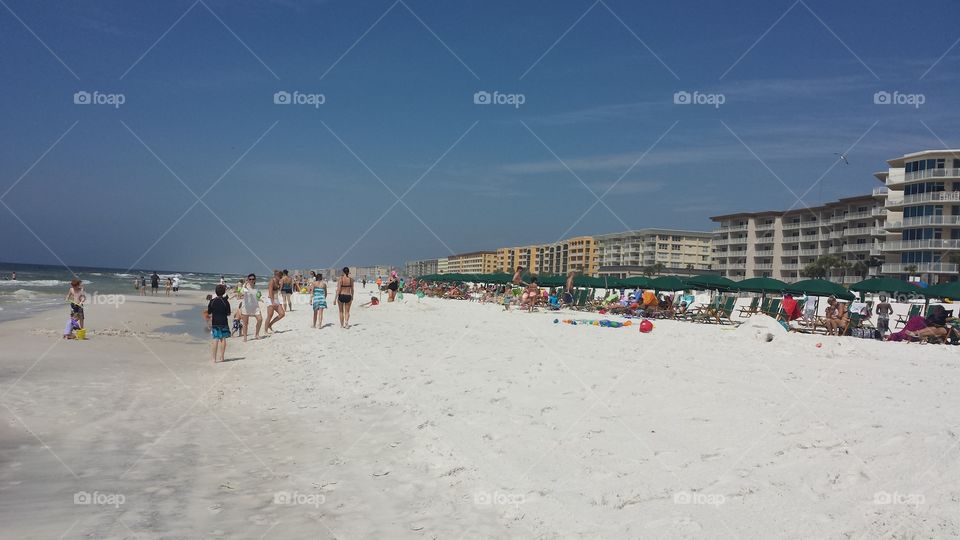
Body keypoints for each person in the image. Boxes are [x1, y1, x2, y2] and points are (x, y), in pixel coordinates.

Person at [208, 284, 231, 363]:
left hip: (215, 323)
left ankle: (214, 359)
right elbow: (228, 313)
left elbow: (209, 312)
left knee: (215, 339)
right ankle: (222, 357)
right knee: (223, 339)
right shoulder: (225, 301)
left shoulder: (212, 301)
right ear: (224, 292)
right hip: (224, 322)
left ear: (216, 292)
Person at [240, 274, 263, 342]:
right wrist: (244, 284)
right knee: (245, 323)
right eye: (250, 279)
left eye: (253, 279)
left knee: (260, 319)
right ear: (248, 280)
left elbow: (258, 296)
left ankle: (257, 334)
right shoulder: (245, 287)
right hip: (246, 307)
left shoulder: (257, 287)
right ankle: (245, 337)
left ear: (255, 280)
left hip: (255, 307)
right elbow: (241, 293)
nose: (251, 280)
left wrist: (260, 298)